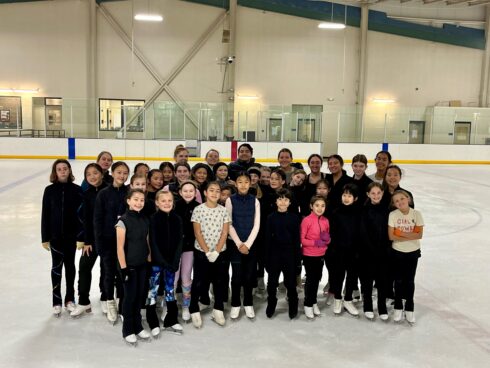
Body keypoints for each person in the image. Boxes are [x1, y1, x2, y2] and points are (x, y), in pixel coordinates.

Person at [41, 159, 83, 316]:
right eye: (59, 169)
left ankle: (70, 299)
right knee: (56, 268)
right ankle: (56, 301)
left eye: (65, 168)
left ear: (69, 170)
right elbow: (45, 215)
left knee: (70, 267)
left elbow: (81, 216)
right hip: (55, 237)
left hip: (71, 237)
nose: (63, 171)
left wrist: (81, 236)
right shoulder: (49, 190)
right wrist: (45, 237)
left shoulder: (77, 190)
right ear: (55, 172)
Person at [189, 182, 231, 328]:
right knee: (199, 281)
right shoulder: (198, 209)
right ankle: (193, 308)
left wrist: (217, 251)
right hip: (202, 252)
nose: (214, 193)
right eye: (211, 190)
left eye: (217, 191)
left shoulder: (223, 210)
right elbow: (197, 232)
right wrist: (207, 251)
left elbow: (225, 232)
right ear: (205, 192)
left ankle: (218, 308)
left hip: (220, 253)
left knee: (219, 281)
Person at [94, 161, 130, 324]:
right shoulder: (103, 194)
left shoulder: (129, 192)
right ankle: (110, 303)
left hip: (125, 242)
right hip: (108, 241)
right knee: (109, 273)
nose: (122, 176)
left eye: (125, 173)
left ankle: (122, 304)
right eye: (119, 172)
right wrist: (99, 243)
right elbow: (98, 220)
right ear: (113, 173)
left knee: (122, 273)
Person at [71, 163, 108, 317]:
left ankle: (105, 297)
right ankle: (83, 301)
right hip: (91, 240)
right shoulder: (86, 194)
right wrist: (87, 241)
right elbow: (85, 220)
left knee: (107, 270)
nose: (92, 177)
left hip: (107, 239)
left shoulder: (109, 191)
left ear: (102, 174)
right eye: (89, 174)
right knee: (84, 268)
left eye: (95, 173)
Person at [115, 189, 151, 345]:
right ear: (128, 201)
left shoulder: (144, 219)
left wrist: (149, 257)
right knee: (129, 298)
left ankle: (138, 326)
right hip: (128, 266)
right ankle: (127, 329)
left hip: (142, 264)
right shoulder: (122, 221)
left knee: (139, 296)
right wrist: (124, 269)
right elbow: (119, 248)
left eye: (141, 200)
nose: (139, 203)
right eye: (135, 199)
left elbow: (146, 240)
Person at [146, 190, 184, 337]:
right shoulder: (153, 219)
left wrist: (175, 261)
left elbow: (180, 241)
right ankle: (152, 321)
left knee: (170, 290)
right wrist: (161, 261)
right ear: (157, 202)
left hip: (172, 262)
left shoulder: (177, 219)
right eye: (163, 201)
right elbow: (153, 243)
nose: (167, 203)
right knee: (153, 291)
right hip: (157, 262)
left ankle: (171, 320)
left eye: (169, 201)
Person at [225, 172, 261, 320]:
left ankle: (248, 303)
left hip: (251, 244)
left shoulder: (255, 201)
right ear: (236, 184)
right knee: (237, 276)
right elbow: (229, 224)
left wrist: (248, 244)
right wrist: (240, 244)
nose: (243, 185)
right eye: (240, 182)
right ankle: (235, 304)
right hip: (235, 244)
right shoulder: (230, 200)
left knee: (249, 275)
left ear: (250, 183)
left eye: (246, 182)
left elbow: (256, 224)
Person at [388, 190, 424, 325]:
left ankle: (409, 307)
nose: (400, 202)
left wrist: (400, 232)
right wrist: (410, 233)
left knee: (409, 280)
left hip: (413, 252)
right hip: (397, 251)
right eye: (396, 201)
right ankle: (398, 306)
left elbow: (419, 235)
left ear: (408, 199)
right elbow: (392, 236)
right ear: (394, 204)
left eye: (402, 199)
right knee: (398, 280)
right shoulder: (393, 215)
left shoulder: (416, 214)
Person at [265, 188, 301, 319]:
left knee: (290, 283)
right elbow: (267, 240)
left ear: (290, 202)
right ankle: (271, 302)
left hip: (289, 254)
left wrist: (298, 260)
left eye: (286, 199)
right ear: (275, 201)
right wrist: (267, 259)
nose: (282, 202)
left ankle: (293, 303)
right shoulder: (270, 218)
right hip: (274, 254)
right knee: (272, 282)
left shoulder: (294, 218)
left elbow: (297, 241)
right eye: (280, 199)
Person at [328, 183, 361, 317]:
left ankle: (348, 299)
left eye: (350, 196)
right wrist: (333, 249)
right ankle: (337, 298)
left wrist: (359, 250)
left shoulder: (359, 214)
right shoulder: (336, 213)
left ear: (355, 198)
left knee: (352, 276)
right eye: (344, 195)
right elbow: (331, 233)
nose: (346, 198)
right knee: (338, 275)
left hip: (354, 251)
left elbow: (360, 233)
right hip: (339, 251)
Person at [359, 182, 391, 321]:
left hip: (384, 252)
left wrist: (385, 248)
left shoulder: (387, 210)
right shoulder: (364, 210)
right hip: (367, 252)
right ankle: (367, 305)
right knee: (367, 280)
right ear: (368, 194)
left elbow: (389, 231)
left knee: (382, 280)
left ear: (382, 193)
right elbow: (363, 232)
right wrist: (371, 248)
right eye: (373, 193)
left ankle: (382, 306)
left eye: (378, 193)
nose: (376, 195)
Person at [174, 181, 200, 322]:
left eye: (191, 191)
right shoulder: (174, 206)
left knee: (185, 276)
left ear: (195, 193)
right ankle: (169, 305)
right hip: (175, 249)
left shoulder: (199, 207)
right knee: (174, 277)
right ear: (180, 192)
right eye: (185, 191)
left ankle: (186, 305)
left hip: (190, 248)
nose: (188, 193)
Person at [301, 195, 330, 319]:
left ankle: (313, 302)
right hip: (309, 255)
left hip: (321, 255)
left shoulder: (325, 220)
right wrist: (316, 243)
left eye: (322, 206)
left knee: (318, 278)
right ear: (311, 206)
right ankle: (308, 304)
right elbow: (302, 239)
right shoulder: (307, 220)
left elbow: (326, 236)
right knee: (311, 280)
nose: (320, 208)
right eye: (317, 205)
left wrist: (326, 241)